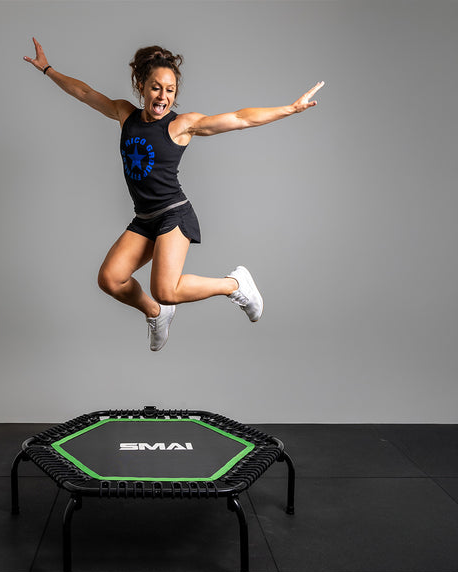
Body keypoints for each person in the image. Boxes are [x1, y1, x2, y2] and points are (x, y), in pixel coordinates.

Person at [24, 38, 324, 351]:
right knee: (110, 280)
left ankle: (234, 284)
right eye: (156, 87)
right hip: (145, 219)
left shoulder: (181, 126)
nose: (163, 96)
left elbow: (239, 118)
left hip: (173, 214)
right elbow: (84, 93)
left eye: (170, 90)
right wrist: (47, 69)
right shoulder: (125, 114)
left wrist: (290, 109)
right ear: (141, 86)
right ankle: (157, 313)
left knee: (165, 288)